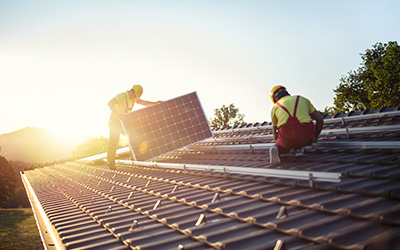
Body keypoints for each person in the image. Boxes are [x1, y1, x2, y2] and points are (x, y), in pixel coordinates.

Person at [107, 85, 161, 170]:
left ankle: (134, 157)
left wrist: (154, 103)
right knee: (114, 141)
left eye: (136, 97)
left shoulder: (133, 98)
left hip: (123, 122)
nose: (135, 98)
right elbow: (110, 103)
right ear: (132, 91)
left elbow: (143, 102)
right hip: (115, 122)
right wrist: (117, 114)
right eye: (135, 95)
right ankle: (111, 163)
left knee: (133, 137)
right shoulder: (121, 96)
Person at [269, 85, 323, 165]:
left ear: (275, 99)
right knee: (302, 138)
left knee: (282, 145)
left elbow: (275, 130)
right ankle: (299, 147)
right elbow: (319, 119)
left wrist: (279, 142)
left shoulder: (275, 107)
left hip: (286, 135)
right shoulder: (302, 99)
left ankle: (278, 149)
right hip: (306, 133)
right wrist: (315, 137)